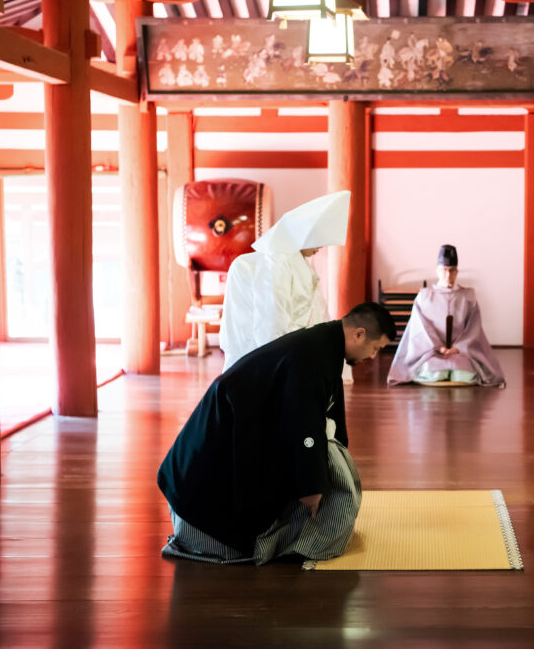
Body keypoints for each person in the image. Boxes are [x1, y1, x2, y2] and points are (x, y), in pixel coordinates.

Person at [157, 302, 396, 565]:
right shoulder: (314, 353)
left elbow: (324, 414)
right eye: (375, 348)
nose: (373, 357)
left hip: (241, 424)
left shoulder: (324, 346)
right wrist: (311, 485)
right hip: (220, 432)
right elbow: (304, 421)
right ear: (359, 334)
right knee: (230, 532)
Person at [219, 189, 350, 371]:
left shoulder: (295, 261)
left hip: (288, 349)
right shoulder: (278, 262)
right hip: (263, 354)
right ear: (303, 234)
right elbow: (271, 321)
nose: (321, 246)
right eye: (318, 238)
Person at [388, 244, 505, 387]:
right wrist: (438, 347)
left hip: (460, 351)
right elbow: (421, 327)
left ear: (457, 272)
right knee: (435, 373)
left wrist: (458, 347)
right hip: (431, 351)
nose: (448, 275)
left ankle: (457, 364)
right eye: (444, 270)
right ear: (437, 271)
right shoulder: (425, 296)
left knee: (463, 374)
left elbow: (473, 328)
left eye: (452, 271)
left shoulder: (467, 296)